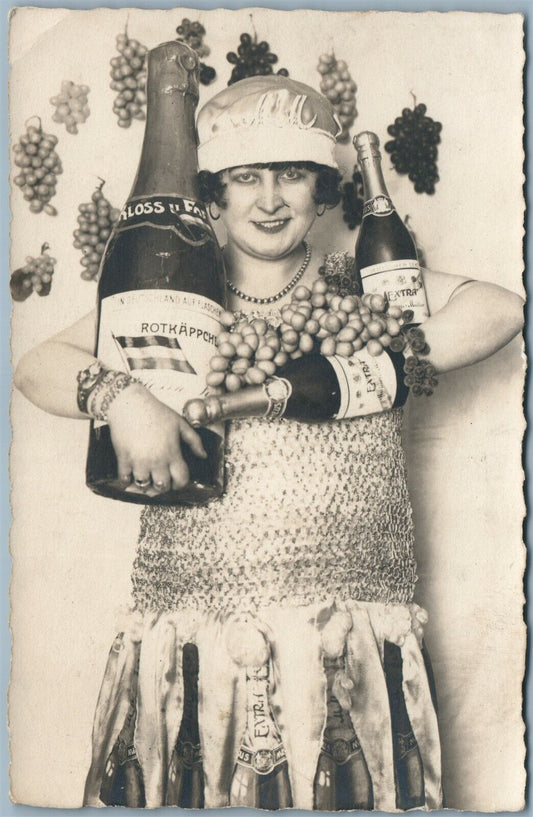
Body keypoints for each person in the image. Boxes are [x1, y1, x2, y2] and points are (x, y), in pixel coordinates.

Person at [13, 74, 524, 811]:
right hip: (196, 633)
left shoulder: (364, 287)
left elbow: (500, 308)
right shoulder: (176, 296)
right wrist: (120, 394)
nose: (270, 198)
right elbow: (35, 366)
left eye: (292, 174)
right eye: (245, 178)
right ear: (212, 197)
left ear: (322, 192)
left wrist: (378, 361)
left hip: (345, 639)